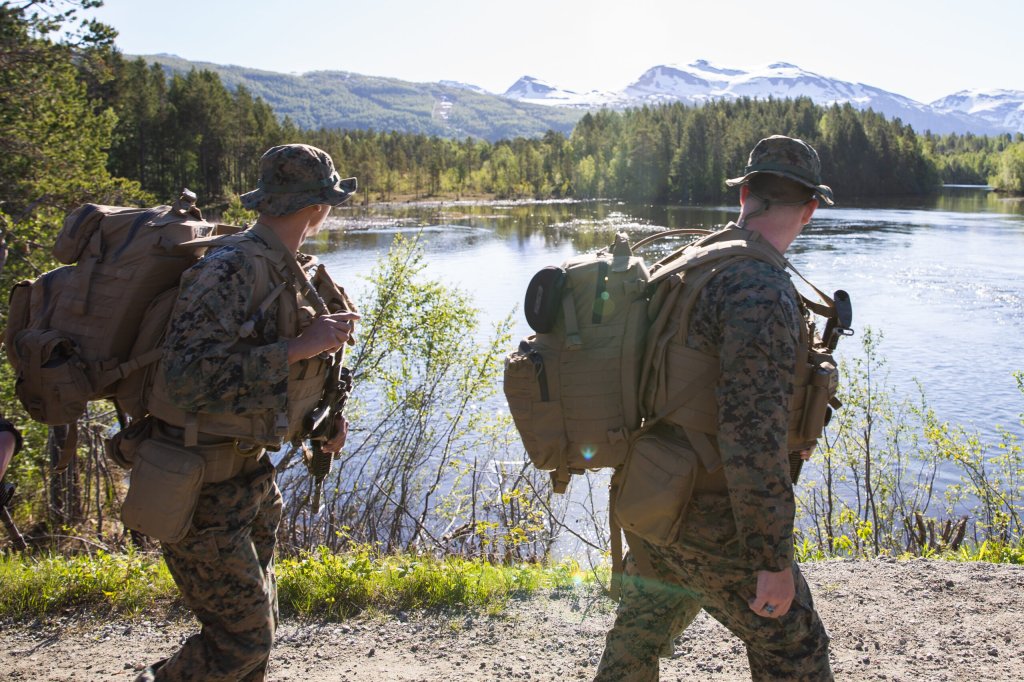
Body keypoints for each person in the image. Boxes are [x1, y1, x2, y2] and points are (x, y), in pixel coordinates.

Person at [595, 135, 836, 681]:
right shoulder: (761, 291)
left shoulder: (695, 262)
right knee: (794, 649)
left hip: (650, 490)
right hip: (707, 511)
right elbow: (753, 443)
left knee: (641, 632)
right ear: (810, 209)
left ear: (745, 193)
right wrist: (772, 562)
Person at [134, 143, 361, 682]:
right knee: (241, 643)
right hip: (196, 485)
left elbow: (285, 376)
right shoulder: (229, 268)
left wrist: (325, 421)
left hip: (250, 478)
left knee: (258, 633)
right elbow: (186, 376)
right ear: (316, 206)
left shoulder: (294, 269)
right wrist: (299, 349)